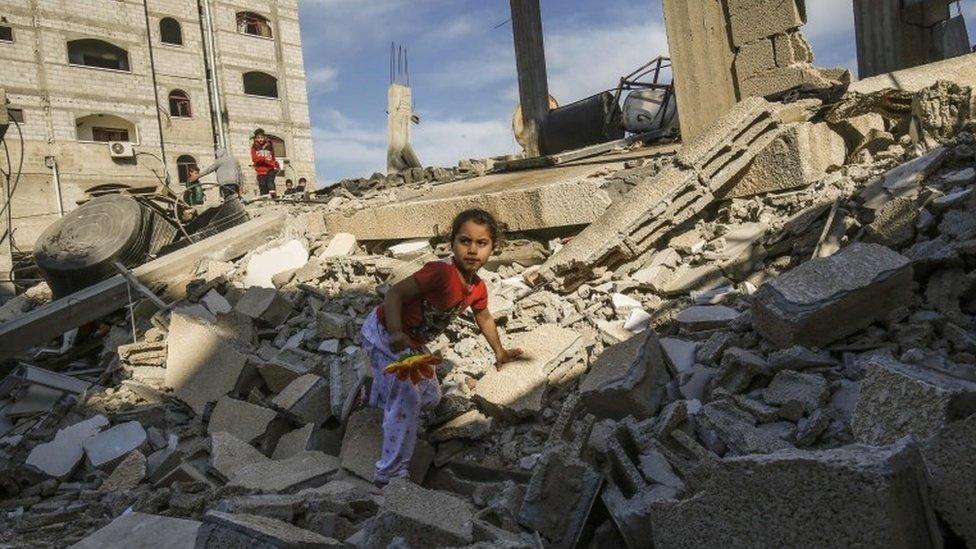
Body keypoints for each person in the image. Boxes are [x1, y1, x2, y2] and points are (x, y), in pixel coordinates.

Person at [359, 208, 523, 486]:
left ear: (493, 249)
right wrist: (397, 331)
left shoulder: (478, 288)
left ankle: (372, 393)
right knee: (407, 398)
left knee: (430, 397)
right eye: (465, 241)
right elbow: (395, 294)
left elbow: (483, 317)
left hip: (410, 343)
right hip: (384, 334)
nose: (472, 250)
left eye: (481, 243)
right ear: (452, 244)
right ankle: (388, 475)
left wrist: (499, 351)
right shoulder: (439, 273)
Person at [250, 128, 280, 198]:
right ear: (255, 139)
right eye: (258, 138)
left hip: (270, 168)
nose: (260, 139)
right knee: (263, 186)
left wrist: (275, 164)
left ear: (264, 137)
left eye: (262, 137)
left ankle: (273, 196)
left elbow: (273, 157)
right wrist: (264, 159)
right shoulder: (254, 148)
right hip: (260, 171)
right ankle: (264, 198)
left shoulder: (269, 146)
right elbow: (255, 159)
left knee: (270, 182)